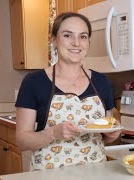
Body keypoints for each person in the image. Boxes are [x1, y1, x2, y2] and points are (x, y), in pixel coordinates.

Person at [15, 12, 121, 170]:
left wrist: (112, 134)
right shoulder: (34, 82)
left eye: (83, 36)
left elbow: (106, 134)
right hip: (49, 175)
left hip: (96, 174)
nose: (76, 43)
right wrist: (52, 133)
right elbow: (22, 141)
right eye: (67, 35)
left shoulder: (102, 82)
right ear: (54, 40)